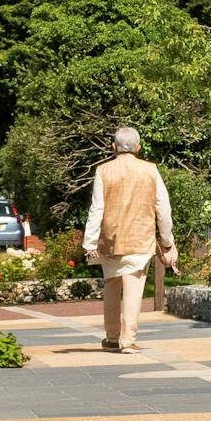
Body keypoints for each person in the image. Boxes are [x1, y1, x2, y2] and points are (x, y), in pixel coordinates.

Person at [82, 125, 175, 352]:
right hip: (140, 239)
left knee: (112, 286)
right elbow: (163, 207)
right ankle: (128, 340)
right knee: (133, 286)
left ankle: (112, 338)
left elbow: (97, 208)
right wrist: (166, 240)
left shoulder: (103, 171)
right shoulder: (151, 170)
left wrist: (90, 242)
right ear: (139, 147)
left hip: (111, 239)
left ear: (113, 147)